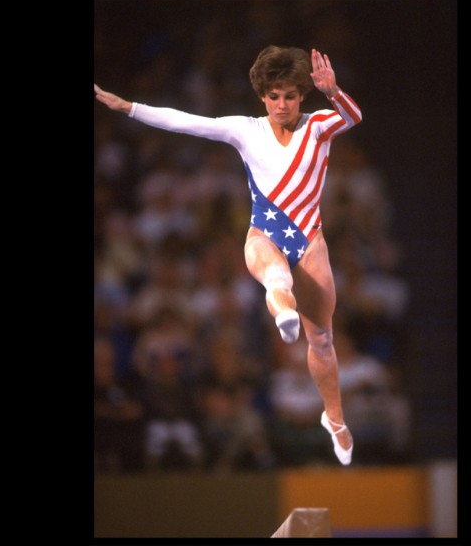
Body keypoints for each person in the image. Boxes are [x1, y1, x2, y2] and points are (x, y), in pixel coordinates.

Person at [96, 45, 361, 465]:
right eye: (273, 96)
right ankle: (283, 314)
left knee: (324, 339)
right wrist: (129, 107)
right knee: (276, 278)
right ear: (262, 96)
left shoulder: (319, 127)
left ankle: (334, 418)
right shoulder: (245, 129)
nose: (281, 105)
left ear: (301, 95)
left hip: (310, 241)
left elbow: (353, 117)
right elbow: (186, 122)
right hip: (264, 236)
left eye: (290, 95)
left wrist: (333, 91)